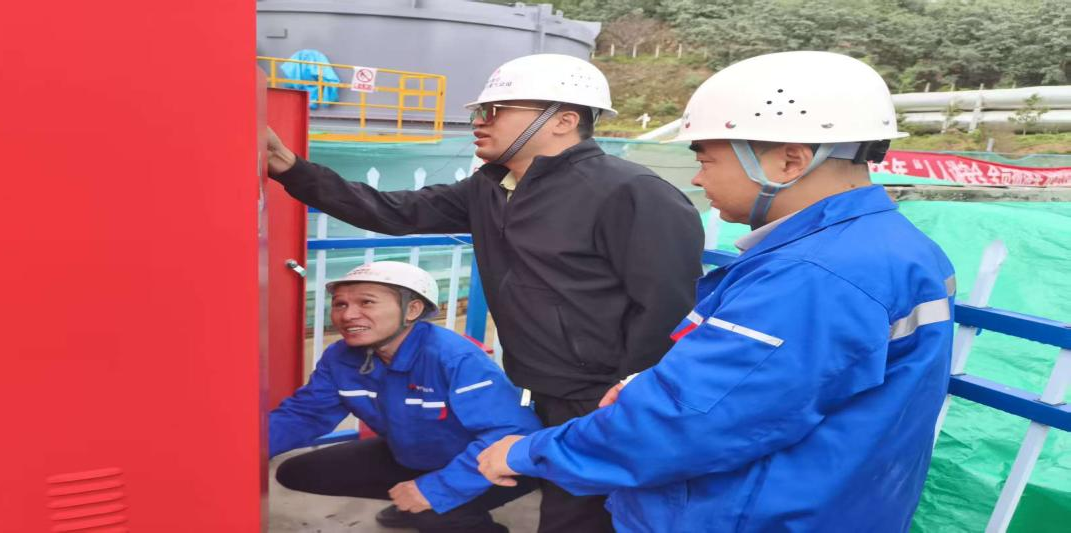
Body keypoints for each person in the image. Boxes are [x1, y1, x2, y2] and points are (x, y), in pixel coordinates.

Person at [477, 51, 957, 532]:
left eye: (706, 158)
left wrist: (528, 452)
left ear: (789, 160)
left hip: (750, 515)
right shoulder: (894, 245)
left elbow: (687, 423)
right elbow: (774, 383)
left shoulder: (814, 274)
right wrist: (645, 383)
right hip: (833, 499)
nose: (698, 177)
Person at [266, 53, 704, 532]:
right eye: (480, 111)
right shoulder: (491, 188)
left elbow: (667, 307)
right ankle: (452, 508)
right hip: (545, 385)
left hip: (602, 396)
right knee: (566, 501)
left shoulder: (631, 191)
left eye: (496, 111)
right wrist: (289, 168)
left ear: (563, 120)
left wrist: (628, 394)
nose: (480, 122)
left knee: (579, 516)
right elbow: (391, 210)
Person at [271, 261, 541, 533]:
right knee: (297, 472)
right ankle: (416, 500)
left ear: (412, 310)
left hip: (496, 462)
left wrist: (437, 489)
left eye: (366, 302)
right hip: (415, 453)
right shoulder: (340, 357)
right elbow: (305, 414)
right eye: (340, 304)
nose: (348, 315)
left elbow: (513, 434)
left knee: (434, 513)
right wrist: (250, 447)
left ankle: (444, 509)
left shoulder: (454, 358)